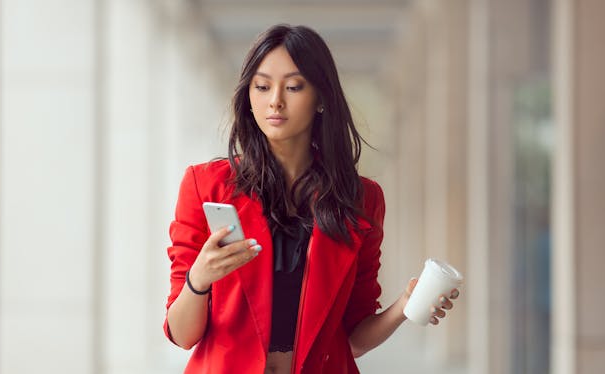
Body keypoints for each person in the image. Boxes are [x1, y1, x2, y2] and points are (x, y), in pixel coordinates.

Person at [164, 24, 460, 373]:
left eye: (293, 86)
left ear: (320, 97)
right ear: (249, 97)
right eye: (261, 86)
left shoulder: (360, 199)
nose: (275, 99)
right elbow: (182, 334)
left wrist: (405, 305)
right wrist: (199, 280)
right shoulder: (206, 186)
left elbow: (352, 337)